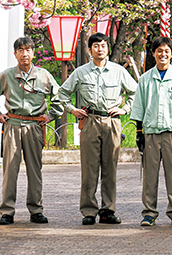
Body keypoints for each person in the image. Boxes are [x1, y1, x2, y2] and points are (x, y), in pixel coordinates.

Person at [58, 32, 139, 225]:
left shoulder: (118, 71)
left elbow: (136, 92)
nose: (100, 49)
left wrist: (125, 108)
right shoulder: (81, 72)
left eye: (103, 45)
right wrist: (72, 110)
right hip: (90, 121)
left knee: (110, 168)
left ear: (107, 48)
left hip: (112, 122)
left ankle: (107, 211)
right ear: (90, 49)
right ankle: (88, 211)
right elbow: (62, 93)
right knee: (89, 169)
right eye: (96, 46)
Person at [0, 36, 64, 225]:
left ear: (33, 53)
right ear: (15, 54)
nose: (24, 53)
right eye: (20, 50)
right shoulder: (6, 76)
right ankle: (7, 211)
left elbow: (59, 97)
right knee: (10, 170)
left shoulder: (44, 75)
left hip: (34, 127)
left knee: (35, 169)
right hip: (12, 125)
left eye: (28, 49)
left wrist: (50, 115)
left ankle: (36, 210)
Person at [130, 36, 172, 226]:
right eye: (159, 51)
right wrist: (139, 133)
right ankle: (149, 212)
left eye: (166, 51)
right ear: (153, 54)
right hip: (151, 133)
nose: (163, 54)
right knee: (150, 175)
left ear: (171, 54)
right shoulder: (145, 79)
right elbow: (139, 108)